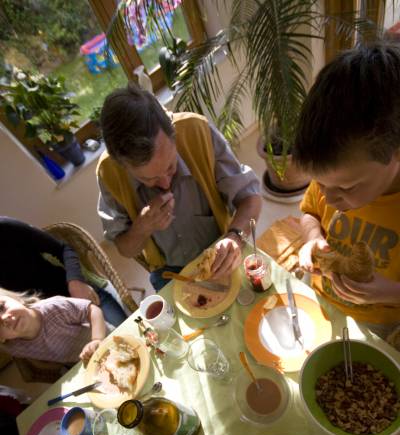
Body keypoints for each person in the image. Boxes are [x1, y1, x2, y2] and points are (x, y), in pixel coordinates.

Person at [97, 83, 262, 291]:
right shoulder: (109, 173)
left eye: (170, 167)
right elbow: (125, 249)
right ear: (122, 166)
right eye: (149, 180)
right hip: (168, 272)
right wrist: (143, 227)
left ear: (174, 135)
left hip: (223, 247)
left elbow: (250, 198)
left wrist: (235, 235)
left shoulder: (196, 132)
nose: (166, 185)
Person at [293, 42, 400, 340]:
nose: (329, 198)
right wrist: (312, 238)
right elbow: (310, 212)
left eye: (345, 187)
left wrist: (390, 293)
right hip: (318, 302)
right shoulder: (334, 178)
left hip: (378, 326)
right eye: (320, 184)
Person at [0, 216, 127, 327]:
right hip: (46, 325)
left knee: (128, 331)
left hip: (76, 295)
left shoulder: (5, 227)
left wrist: (75, 281)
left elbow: (63, 249)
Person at [0, 288, 106, 366]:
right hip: (85, 363)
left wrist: (97, 339)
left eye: (1, 307)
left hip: (106, 341)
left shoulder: (54, 307)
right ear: (2, 338)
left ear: (15, 299)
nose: (4, 318)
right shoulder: (14, 349)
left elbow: (93, 310)